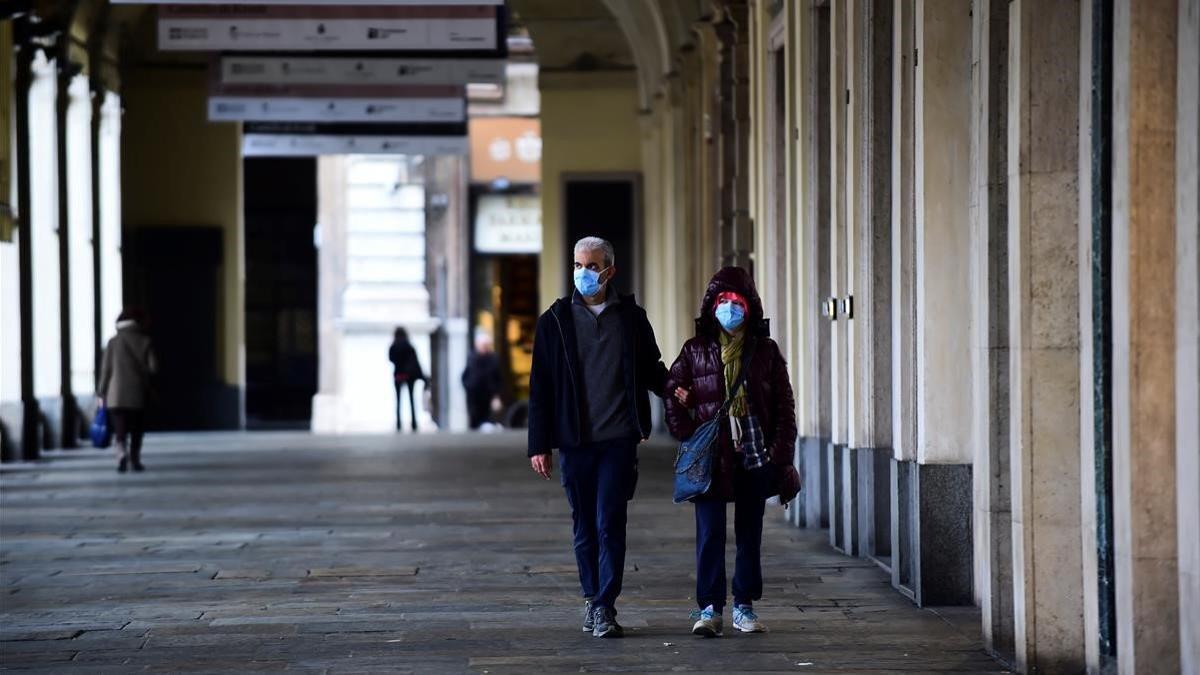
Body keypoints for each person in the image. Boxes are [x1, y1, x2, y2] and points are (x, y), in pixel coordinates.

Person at [527, 236, 669, 639]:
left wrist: (677, 389)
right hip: (575, 441)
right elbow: (541, 386)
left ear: (610, 271)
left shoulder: (631, 318)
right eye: (578, 265)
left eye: (592, 266)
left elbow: (650, 367)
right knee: (584, 524)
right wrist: (539, 443)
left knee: (611, 522)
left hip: (619, 439)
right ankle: (592, 597)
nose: (584, 273)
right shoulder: (554, 321)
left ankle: (605, 604)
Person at [664, 267, 797, 638]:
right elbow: (672, 393)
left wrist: (779, 454)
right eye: (722, 301)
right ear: (711, 307)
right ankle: (708, 609)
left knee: (749, 533)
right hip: (711, 458)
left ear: (750, 306)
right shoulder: (695, 350)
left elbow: (785, 407)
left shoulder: (766, 351)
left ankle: (744, 606)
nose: (729, 308)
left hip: (754, 454)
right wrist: (688, 432)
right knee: (709, 534)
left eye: (736, 301)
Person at [97, 308, 159, 473]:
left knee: (120, 429)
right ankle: (135, 459)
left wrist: (101, 392)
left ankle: (121, 455)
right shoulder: (145, 341)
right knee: (137, 428)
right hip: (138, 392)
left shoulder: (112, 342)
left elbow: (106, 370)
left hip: (115, 395)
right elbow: (154, 368)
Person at [462, 330, 502, 430]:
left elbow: (498, 379)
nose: (484, 347)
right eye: (483, 345)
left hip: (488, 396)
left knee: (488, 423)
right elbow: (465, 376)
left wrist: (496, 396)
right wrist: (469, 387)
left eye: (486, 345)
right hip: (474, 396)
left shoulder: (493, 358)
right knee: (474, 422)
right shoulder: (471, 357)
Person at [388, 327, 426, 432]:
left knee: (398, 400)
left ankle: (398, 424)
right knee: (411, 399)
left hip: (398, 375)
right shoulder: (409, 346)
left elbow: (390, 359)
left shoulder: (393, 346)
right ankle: (414, 423)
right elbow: (415, 361)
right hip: (409, 375)